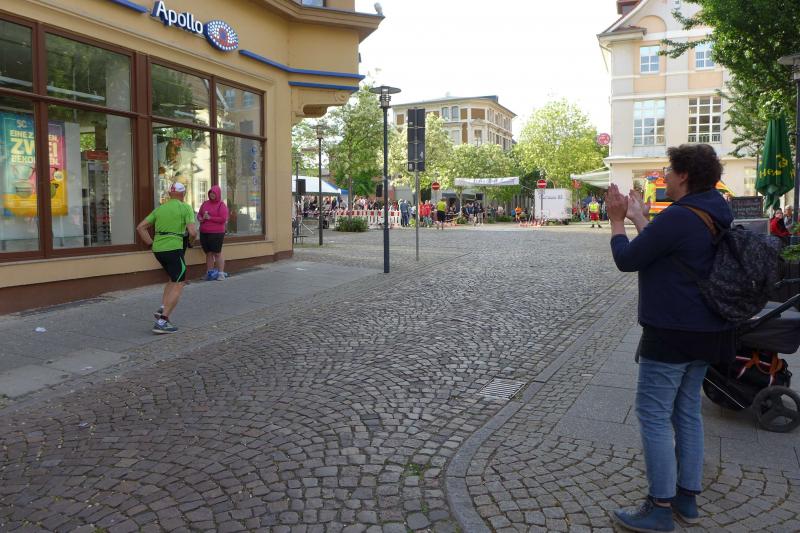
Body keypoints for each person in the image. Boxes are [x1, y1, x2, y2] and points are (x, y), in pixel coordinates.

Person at [606, 144, 735, 533]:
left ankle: (660, 507)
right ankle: (686, 499)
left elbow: (628, 260)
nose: (664, 176)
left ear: (684, 175)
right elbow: (666, 251)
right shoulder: (713, 210)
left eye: (669, 170)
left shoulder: (679, 216)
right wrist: (640, 218)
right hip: (707, 331)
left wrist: (617, 221)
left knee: (654, 414)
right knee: (687, 412)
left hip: (672, 331)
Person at [136, 182, 198, 334]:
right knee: (179, 282)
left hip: (158, 250)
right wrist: (191, 243)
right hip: (174, 248)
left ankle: (163, 308)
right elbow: (193, 232)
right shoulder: (185, 208)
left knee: (172, 278)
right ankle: (162, 321)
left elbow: (140, 227)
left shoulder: (160, 208)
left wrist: (151, 243)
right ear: (183, 194)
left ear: (170, 194)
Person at [198, 185, 229, 280]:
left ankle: (221, 273)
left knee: (217, 253)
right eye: (211, 193)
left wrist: (210, 218)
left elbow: (223, 219)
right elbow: (199, 214)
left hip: (217, 233)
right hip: (204, 232)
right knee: (208, 253)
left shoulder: (221, 205)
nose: (212, 195)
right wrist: (201, 218)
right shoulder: (205, 203)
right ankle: (210, 273)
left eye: (214, 193)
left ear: (218, 194)